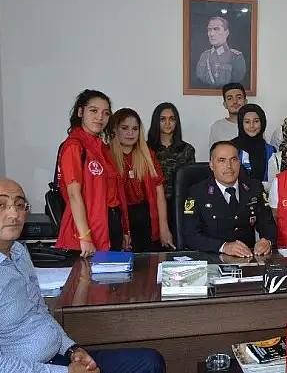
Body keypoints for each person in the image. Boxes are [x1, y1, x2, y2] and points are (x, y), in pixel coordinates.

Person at [0, 178, 166, 373]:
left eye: (19, 205)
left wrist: (71, 350)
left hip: (55, 358)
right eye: (0, 205)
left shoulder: (17, 251)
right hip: (23, 368)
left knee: (149, 362)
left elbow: (40, 312)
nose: (14, 214)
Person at [55, 90, 130, 256]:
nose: (100, 117)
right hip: (88, 229)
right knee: (89, 273)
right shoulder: (74, 146)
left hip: (111, 222)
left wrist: (124, 229)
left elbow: (114, 192)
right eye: (93, 111)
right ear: (80, 112)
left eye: (106, 113)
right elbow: (74, 195)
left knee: (115, 272)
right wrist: (85, 236)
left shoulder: (102, 148)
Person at [182, 141, 277, 257]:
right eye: (222, 160)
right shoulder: (197, 193)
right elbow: (191, 235)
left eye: (234, 159)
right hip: (211, 258)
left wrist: (267, 241)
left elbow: (268, 224)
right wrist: (224, 246)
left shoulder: (254, 188)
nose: (229, 166)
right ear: (212, 165)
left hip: (247, 259)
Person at [108, 108, 174, 252]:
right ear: (114, 130)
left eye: (135, 129)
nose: (130, 133)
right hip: (118, 220)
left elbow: (159, 192)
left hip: (146, 219)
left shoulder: (147, 154)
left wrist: (164, 228)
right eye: (124, 128)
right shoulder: (106, 155)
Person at [146, 102, 196, 237]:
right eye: (163, 119)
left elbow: (191, 185)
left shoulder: (187, 150)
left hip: (179, 205)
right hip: (152, 205)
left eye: (172, 119)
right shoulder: (146, 149)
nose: (167, 123)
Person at [232, 103, 276, 191]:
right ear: (241, 124)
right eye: (247, 122)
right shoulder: (231, 147)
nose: (252, 126)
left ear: (262, 123)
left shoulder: (270, 150)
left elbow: (273, 181)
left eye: (256, 121)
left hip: (263, 196)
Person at [196, 17, 246, 88]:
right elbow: (199, 81)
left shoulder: (235, 57)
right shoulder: (204, 56)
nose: (211, 34)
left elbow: (237, 85)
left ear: (226, 33)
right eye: (209, 30)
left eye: (216, 29)